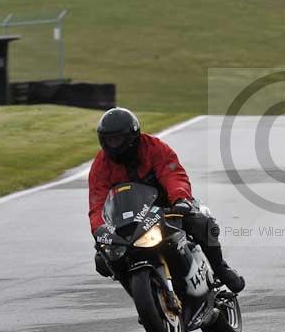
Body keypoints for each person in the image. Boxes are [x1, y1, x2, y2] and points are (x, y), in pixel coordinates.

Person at [88, 107, 245, 293]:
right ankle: (142, 298)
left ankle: (220, 268)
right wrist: (99, 229)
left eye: (118, 139)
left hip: (167, 208)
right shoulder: (101, 165)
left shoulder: (154, 148)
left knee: (202, 223)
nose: (113, 145)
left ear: (132, 136)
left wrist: (180, 200)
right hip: (128, 222)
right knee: (104, 260)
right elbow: (97, 202)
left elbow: (172, 174)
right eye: (109, 140)